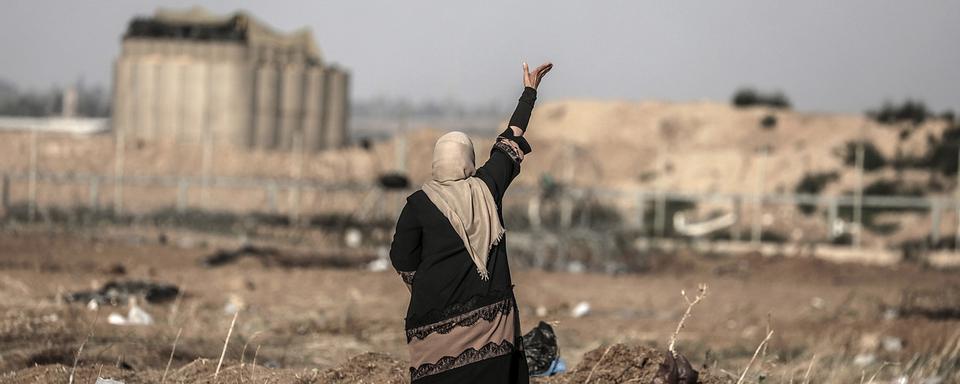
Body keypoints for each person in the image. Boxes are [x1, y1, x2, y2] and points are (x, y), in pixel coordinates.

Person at [389, 61, 553, 383]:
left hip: (435, 330)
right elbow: (511, 139)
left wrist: (423, 283)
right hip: (492, 329)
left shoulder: (418, 204)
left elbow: (402, 258)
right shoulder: (487, 187)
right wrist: (529, 93)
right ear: (469, 161)